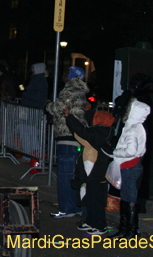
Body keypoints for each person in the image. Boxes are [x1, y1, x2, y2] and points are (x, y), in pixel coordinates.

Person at [64, 106, 115, 236]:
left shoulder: (98, 134)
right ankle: (91, 222)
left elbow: (81, 133)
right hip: (92, 174)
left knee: (95, 201)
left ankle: (99, 225)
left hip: (96, 175)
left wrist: (70, 118)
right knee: (90, 199)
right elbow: (81, 133)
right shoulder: (100, 132)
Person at [46, 66, 88, 218]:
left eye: (66, 72)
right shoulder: (80, 91)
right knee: (74, 174)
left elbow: (58, 108)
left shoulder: (69, 90)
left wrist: (48, 105)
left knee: (65, 175)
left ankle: (66, 208)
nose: (64, 75)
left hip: (66, 136)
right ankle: (76, 206)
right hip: (75, 137)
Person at [110, 99, 151, 238]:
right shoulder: (135, 126)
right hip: (130, 166)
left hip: (130, 166)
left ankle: (130, 231)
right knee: (127, 198)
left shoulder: (132, 129)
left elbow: (131, 151)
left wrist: (116, 153)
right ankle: (126, 229)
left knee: (129, 198)